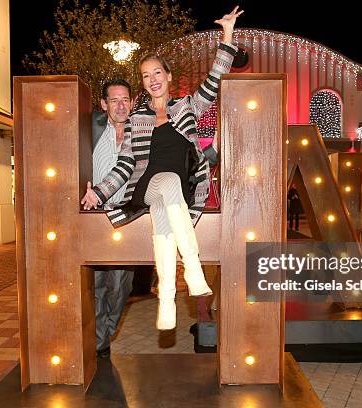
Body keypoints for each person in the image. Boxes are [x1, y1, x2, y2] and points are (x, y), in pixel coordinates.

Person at [82, 6, 243, 330]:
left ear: (168, 76)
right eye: (146, 75)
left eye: (158, 73)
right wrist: (99, 193)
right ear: (143, 82)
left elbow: (214, 81)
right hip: (147, 185)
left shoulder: (187, 106)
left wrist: (227, 35)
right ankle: (193, 270)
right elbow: (126, 163)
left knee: (165, 225)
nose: (152, 79)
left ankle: (167, 299)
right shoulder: (136, 118)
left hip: (179, 192)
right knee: (166, 182)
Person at [91, 79, 135, 357]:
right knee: (96, 285)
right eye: (114, 100)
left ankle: (107, 331)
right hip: (95, 217)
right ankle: (98, 343)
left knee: (120, 286)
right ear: (104, 104)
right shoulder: (91, 129)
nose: (121, 105)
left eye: (125, 99)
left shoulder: (143, 130)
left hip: (129, 218)